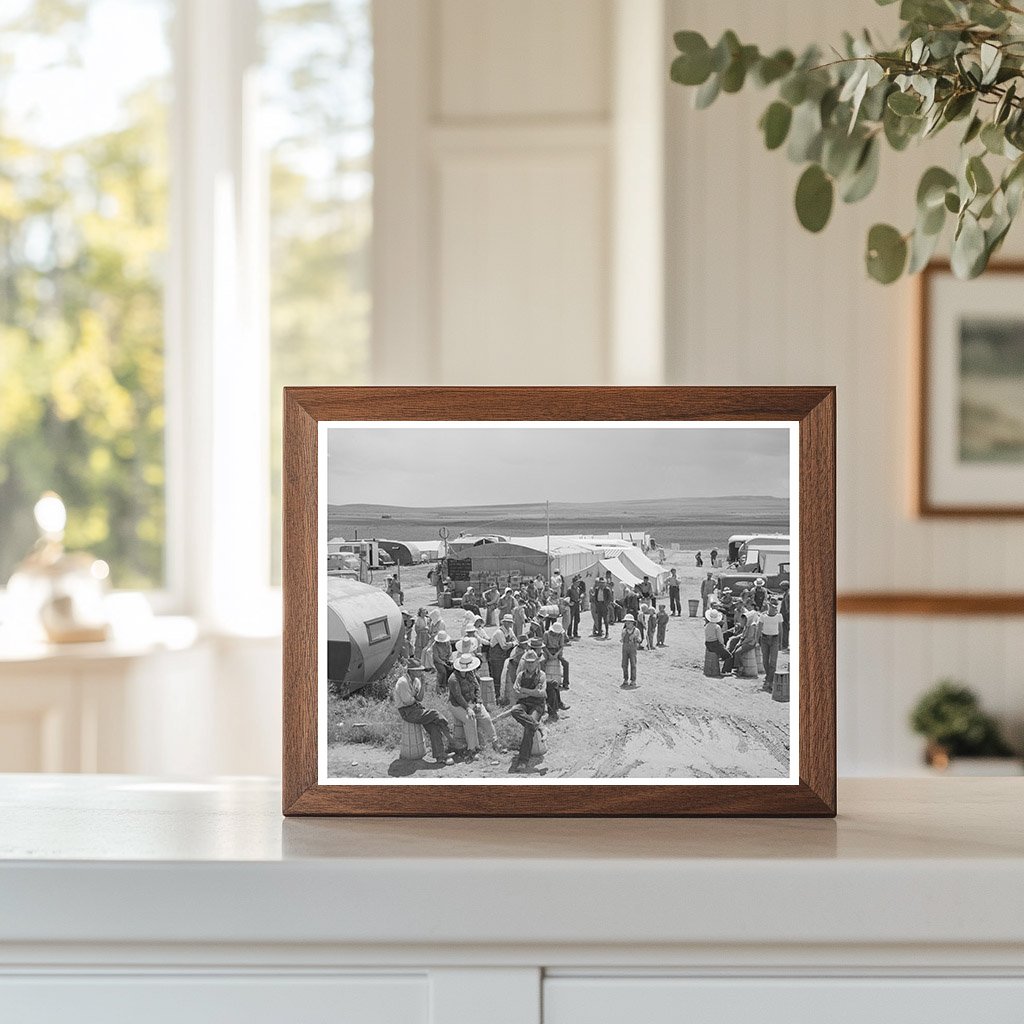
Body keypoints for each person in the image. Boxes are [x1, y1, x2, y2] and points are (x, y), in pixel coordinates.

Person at [393, 662, 454, 765]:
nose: (421, 672)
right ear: (411, 671)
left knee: (433, 726)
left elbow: (420, 698)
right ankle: (450, 738)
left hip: (415, 708)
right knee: (434, 713)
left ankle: (440, 756)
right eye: (418, 670)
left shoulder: (416, 680)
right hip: (406, 711)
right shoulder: (402, 682)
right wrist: (415, 698)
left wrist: (422, 683)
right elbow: (407, 701)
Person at [448, 652, 505, 759]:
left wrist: (478, 702)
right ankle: (472, 749)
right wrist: (468, 708)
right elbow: (458, 696)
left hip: (473, 702)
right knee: (470, 719)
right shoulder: (453, 679)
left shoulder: (472, 674)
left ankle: (495, 742)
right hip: (457, 705)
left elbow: (477, 688)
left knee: (486, 718)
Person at [509, 651, 548, 774]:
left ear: (537, 662)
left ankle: (523, 760)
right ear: (525, 663)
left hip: (537, 705)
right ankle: (539, 727)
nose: (530, 665)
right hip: (524, 703)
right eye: (528, 663)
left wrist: (524, 691)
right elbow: (515, 693)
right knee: (515, 710)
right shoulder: (520, 675)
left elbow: (541, 693)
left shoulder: (541, 675)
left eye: (533, 662)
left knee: (528, 728)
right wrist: (532, 692)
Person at [542, 620, 571, 712]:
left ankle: (566, 682)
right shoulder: (546, 634)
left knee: (566, 663)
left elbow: (561, 646)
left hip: (557, 651)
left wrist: (556, 655)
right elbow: (544, 646)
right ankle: (541, 680)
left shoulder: (561, 635)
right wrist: (549, 655)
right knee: (542, 663)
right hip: (548, 651)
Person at [488, 614, 516, 693]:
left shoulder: (510, 630)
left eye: (510, 622)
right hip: (496, 657)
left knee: (503, 676)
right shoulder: (499, 632)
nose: (509, 624)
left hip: (503, 656)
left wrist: (511, 644)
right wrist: (512, 643)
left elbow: (516, 640)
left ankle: (501, 694)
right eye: (507, 622)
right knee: (497, 676)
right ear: (504, 623)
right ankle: (496, 695)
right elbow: (504, 646)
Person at [760, 598, 783, 689]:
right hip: (764, 638)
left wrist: (781, 642)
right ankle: (768, 676)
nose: (773, 608)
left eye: (775, 606)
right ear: (769, 606)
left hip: (775, 639)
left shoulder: (779, 616)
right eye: (772, 606)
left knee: (773, 661)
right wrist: (757, 638)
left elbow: (780, 630)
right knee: (765, 660)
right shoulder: (763, 616)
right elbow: (759, 627)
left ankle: (769, 680)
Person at [704, 609, 734, 675]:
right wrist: (723, 645)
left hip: (708, 644)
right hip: (715, 644)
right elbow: (720, 638)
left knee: (721, 652)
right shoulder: (717, 627)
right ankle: (726, 671)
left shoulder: (707, 626)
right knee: (729, 656)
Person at [620, 614, 641, 689]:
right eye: (626, 623)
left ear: (632, 623)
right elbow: (622, 639)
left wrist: (636, 639)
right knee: (624, 664)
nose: (627, 624)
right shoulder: (624, 631)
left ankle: (633, 680)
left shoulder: (636, 631)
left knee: (633, 664)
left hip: (632, 649)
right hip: (625, 649)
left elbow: (639, 640)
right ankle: (625, 679)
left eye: (628, 623)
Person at [779, 581, 791, 648]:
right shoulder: (785, 594)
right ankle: (784, 643)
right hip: (784, 614)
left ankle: (785, 644)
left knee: (785, 629)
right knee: (784, 628)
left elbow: (788, 606)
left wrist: (787, 613)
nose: (781, 588)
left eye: (782, 587)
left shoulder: (788, 594)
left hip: (786, 615)